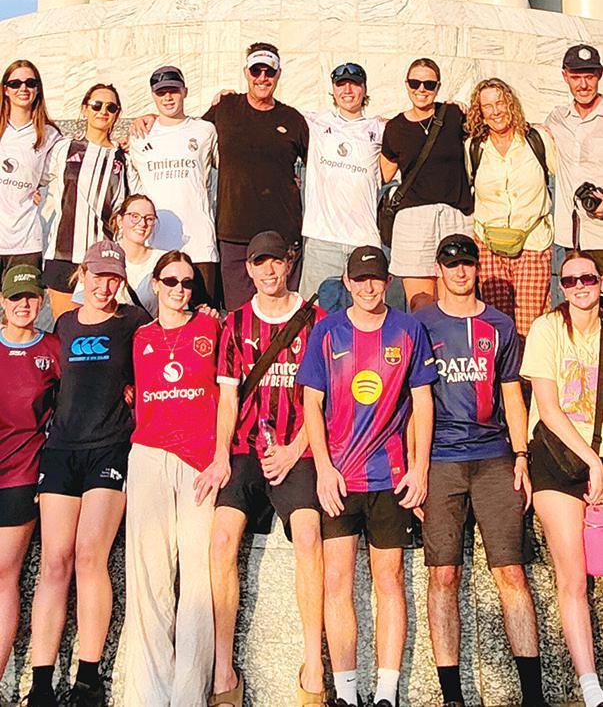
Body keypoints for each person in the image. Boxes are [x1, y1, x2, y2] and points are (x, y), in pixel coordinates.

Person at [299, 245, 435, 707]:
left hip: (389, 477)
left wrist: (419, 468)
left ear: (388, 281)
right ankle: (346, 692)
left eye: (375, 278)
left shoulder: (408, 330)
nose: (368, 287)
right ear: (347, 282)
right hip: (339, 478)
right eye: (359, 280)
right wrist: (322, 468)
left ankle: (387, 693)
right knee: (337, 580)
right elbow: (312, 404)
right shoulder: (327, 331)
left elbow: (422, 403)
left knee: (389, 579)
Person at [197, 230, 326, 707]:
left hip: (298, 448)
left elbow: (323, 401)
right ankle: (223, 669)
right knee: (221, 540)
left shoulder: (316, 321)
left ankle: (313, 666)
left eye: (276, 262)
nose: (269, 271)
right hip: (247, 449)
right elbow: (228, 399)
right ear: (248, 269)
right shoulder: (235, 324)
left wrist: (294, 449)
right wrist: (220, 455)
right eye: (260, 263)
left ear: (289, 264)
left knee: (308, 536)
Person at [420, 235, 547, 707]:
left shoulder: (500, 325)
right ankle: (452, 697)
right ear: (438, 269)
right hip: (441, 459)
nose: (460, 272)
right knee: (443, 575)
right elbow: (413, 403)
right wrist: (414, 468)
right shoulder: (422, 324)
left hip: (494, 456)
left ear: (477, 269)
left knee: (512, 573)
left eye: (467, 264)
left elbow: (512, 393)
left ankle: (532, 695)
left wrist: (521, 456)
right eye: (451, 264)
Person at [26, 240, 147, 707]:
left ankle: (88, 679)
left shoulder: (134, 321)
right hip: (62, 449)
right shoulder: (65, 324)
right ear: (82, 275)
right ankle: (41, 683)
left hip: (109, 447)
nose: (105, 286)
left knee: (90, 556)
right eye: (98, 276)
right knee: (55, 561)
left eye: (114, 278)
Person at [125, 250, 220, 707]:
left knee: (198, 579)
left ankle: (188, 696)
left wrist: (221, 457)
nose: (179, 290)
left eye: (187, 283)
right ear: (156, 285)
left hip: (200, 461)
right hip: (149, 455)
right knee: (149, 579)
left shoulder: (212, 328)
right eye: (171, 281)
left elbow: (229, 394)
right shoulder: (139, 336)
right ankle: (149, 695)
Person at [521, 251, 603, 707]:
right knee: (571, 577)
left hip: (599, 457)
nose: (579, 287)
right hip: (558, 458)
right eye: (569, 280)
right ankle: (590, 686)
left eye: (587, 278)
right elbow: (549, 410)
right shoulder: (547, 329)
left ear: (601, 283)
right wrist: (594, 462)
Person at [204, 43, 308, 311]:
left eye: (269, 72)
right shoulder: (225, 108)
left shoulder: (293, 119)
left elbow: (320, 165)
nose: (262, 78)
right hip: (235, 235)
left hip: (282, 235)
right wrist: (151, 121)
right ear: (246, 73)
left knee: (284, 316)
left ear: (278, 74)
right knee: (240, 318)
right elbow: (187, 135)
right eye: (256, 71)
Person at [0, 263, 60, 690]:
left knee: (5, 573)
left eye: (31, 297)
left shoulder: (52, 348)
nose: (24, 304)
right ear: (2, 302)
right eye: (15, 297)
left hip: (20, 474)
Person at [465, 78, 555, 342]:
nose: (495, 112)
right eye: (487, 106)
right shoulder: (474, 147)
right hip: (489, 246)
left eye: (500, 103)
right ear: (480, 112)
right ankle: (502, 371)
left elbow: (569, 173)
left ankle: (529, 371)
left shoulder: (537, 140)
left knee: (530, 326)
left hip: (533, 243)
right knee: (497, 327)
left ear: (511, 104)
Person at [380, 59, 473, 310]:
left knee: (454, 302)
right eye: (415, 83)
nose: (421, 89)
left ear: (438, 87)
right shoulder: (395, 127)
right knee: (420, 304)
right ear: (407, 85)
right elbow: (384, 173)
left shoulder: (454, 115)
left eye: (429, 84)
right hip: (414, 219)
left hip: (454, 215)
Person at [128, 65, 219, 305]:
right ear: (153, 96)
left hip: (199, 245)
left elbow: (231, 169)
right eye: (161, 92)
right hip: (156, 248)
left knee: (203, 317)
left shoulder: (205, 130)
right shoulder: (139, 136)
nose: (168, 97)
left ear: (185, 91)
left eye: (173, 91)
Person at [300, 62, 385, 310]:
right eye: (341, 84)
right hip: (322, 241)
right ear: (333, 90)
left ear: (364, 89)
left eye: (354, 84)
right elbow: (270, 110)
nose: (347, 90)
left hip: (364, 239)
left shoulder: (380, 128)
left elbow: (415, 126)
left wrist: (451, 108)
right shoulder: (315, 122)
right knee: (313, 314)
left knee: (368, 312)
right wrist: (228, 97)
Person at [43, 84, 127, 318]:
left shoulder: (123, 157)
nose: (103, 112)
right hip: (63, 255)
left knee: (99, 329)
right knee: (65, 329)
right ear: (84, 109)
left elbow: (124, 207)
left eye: (110, 107)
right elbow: (36, 177)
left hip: (101, 259)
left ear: (117, 114)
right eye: (96, 105)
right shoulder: (63, 148)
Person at [546, 45, 603, 282]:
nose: (583, 85)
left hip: (600, 235)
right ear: (565, 76)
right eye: (576, 77)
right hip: (570, 240)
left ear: (600, 75)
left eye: (589, 77)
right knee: (574, 302)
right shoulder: (556, 118)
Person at [0, 60, 60, 278]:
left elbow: (57, 176)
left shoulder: (50, 135)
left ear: (38, 88)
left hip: (25, 244)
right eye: (15, 83)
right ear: (5, 90)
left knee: (23, 301)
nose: (23, 88)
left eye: (30, 83)